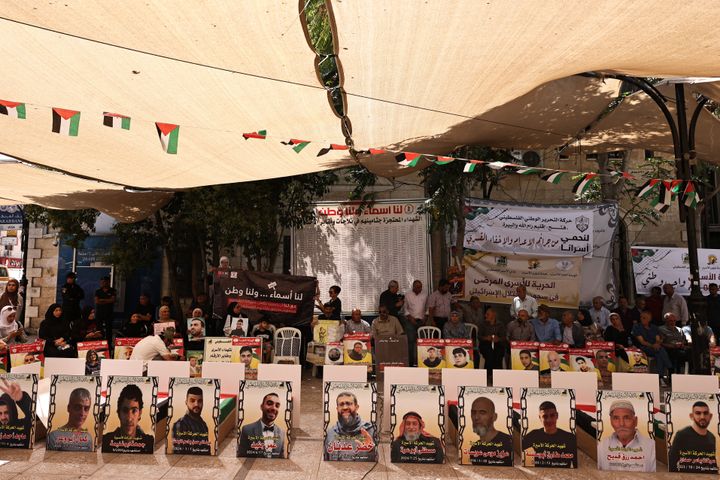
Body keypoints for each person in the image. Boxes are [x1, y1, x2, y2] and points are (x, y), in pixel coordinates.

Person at [597, 400, 655, 471]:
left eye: (626, 418)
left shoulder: (651, 447)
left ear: (635, 421)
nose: (621, 424)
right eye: (616, 418)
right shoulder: (602, 447)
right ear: (611, 422)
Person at [521, 401, 577, 468]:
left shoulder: (570, 438)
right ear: (540, 418)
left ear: (557, 415)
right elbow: (525, 463)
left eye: (552, 415)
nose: (549, 420)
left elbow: (575, 464)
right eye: (545, 416)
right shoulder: (531, 437)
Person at [102, 383, 154, 453]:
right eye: (125, 410)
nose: (129, 418)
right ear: (118, 413)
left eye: (134, 411)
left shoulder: (149, 443)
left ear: (140, 414)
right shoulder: (106, 441)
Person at [324, 391, 375, 461]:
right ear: (337, 409)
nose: (345, 407)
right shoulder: (330, 433)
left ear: (356, 407)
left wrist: (371, 450)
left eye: (349, 404)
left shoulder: (370, 431)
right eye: (341, 404)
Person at [668, 401, 718, 473]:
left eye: (705, 413)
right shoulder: (682, 435)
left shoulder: (712, 437)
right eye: (698, 413)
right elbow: (671, 462)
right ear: (692, 416)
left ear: (710, 416)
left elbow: (712, 462)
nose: (702, 417)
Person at [467, 396, 513, 466]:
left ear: (494, 417)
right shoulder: (475, 448)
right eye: (473, 413)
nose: (476, 417)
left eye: (482, 413)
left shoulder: (508, 443)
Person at [238, 392, 285, 458]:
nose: (273, 408)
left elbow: (281, 457)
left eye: (277, 406)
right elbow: (242, 457)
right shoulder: (247, 430)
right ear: (261, 407)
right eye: (269, 403)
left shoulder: (282, 432)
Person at [632, 311, 672, 383]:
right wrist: (653, 345)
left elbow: (658, 339)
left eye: (644, 318)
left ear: (649, 319)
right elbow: (642, 341)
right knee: (660, 350)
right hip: (644, 348)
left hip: (655, 348)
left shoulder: (654, 327)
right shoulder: (637, 327)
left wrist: (657, 344)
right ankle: (669, 368)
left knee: (659, 354)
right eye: (641, 317)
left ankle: (660, 377)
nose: (641, 319)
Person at [172, 386, 210, 454]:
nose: (196, 404)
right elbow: (179, 453)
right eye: (192, 401)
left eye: (200, 401)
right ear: (186, 402)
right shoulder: (181, 424)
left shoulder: (203, 425)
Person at [0, 378, 33, 448]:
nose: (3, 417)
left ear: (12, 411)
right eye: (0, 414)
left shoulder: (23, 426)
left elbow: (33, 417)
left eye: (6, 412)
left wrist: (22, 399)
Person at [403, 280, 427, 366]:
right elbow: (405, 308)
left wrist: (425, 317)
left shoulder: (424, 295)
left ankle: (422, 363)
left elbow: (427, 307)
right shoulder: (408, 295)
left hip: (422, 321)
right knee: (410, 342)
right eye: (417, 287)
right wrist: (410, 318)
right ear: (413, 287)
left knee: (422, 342)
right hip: (410, 321)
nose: (419, 289)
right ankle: (410, 363)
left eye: (420, 287)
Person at [477, 307, 506, 376]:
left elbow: (503, 337)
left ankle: (498, 375)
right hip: (485, 344)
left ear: (494, 315)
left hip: (497, 344)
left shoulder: (500, 324)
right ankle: (488, 375)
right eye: (486, 314)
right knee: (489, 355)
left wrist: (498, 338)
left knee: (498, 354)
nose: (485, 316)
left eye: (488, 314)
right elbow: (479, 336)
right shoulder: (482, 324)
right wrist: (486, 338)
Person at [94, 276, 116, 343]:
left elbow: (112, 300)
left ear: (108, 282)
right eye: (102, 282)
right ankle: (99, 343)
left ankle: (109, 345)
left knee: (109, 330)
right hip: (99, 313)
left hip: (109, 313)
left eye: (104, 282)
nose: (103, 283)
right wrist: (107, 300)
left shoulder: (112, 290)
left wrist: (102, 300)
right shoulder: (98, 291)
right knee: (99, 330)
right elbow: (97, 301)